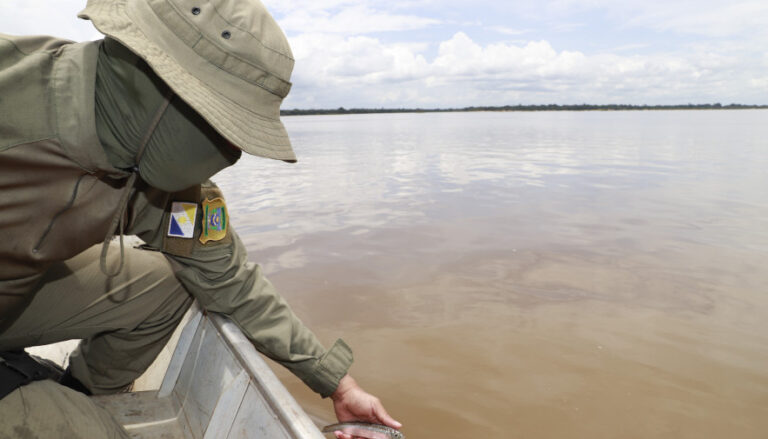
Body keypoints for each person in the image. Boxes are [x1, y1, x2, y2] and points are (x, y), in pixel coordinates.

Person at [0, 0, 401, 438]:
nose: (232, 151)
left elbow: (231, 279)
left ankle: (79, 391)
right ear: (169, 96)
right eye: (228, 126)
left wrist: (338, 383)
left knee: (172, 283)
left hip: (15, 294)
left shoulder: (156, 179)